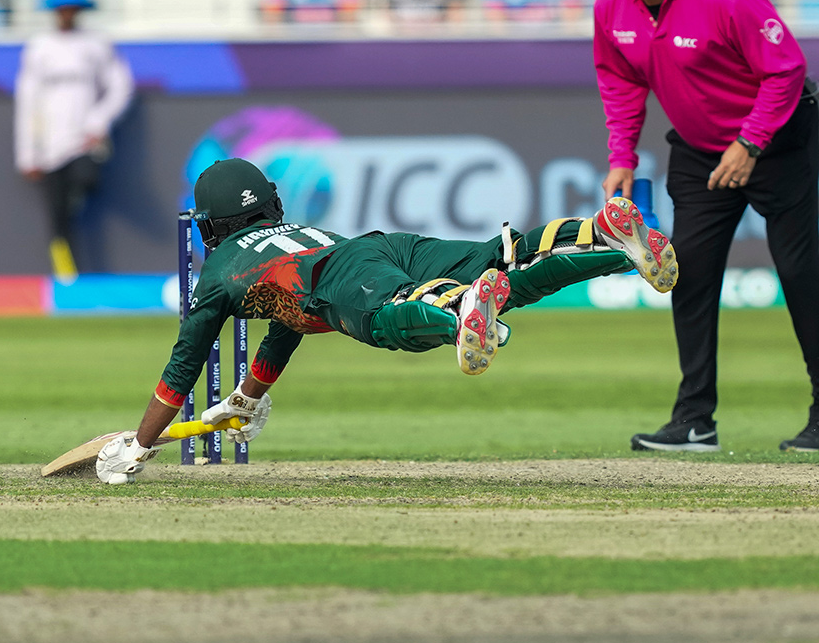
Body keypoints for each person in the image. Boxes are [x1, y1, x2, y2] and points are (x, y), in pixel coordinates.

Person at [94, 158, 677, 483]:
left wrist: (139, 445)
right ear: (269, 205)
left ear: (210, 224)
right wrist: (248, 397)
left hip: (340, 278)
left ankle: (456, 314)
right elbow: (288, 320)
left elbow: (183, 366)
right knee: (501, 259)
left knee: (389, 319)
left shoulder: (219, 272)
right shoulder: (296, 233)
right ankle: (606, 240)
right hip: (377, 245)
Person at [579, 0, 819, 453]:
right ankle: (694, 422)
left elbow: (787, 70)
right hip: (699, 151)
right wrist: (622, 156)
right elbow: (618, 80)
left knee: (805, 279)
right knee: (687, 276)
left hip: (780, 141)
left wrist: (751, 142)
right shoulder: (611, 4)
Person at [15, 0, 133, 280]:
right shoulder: (39, 46)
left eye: (72, 8)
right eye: (61, 8)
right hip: (49, 148)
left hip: (83, 142)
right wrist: (28, 153)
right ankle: (67, 277)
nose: (67, 14)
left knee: (86, 178)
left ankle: (76, 198)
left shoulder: (96, 44)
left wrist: (100, 119)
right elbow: (28, 102)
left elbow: (120, 86)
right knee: (57, 218)